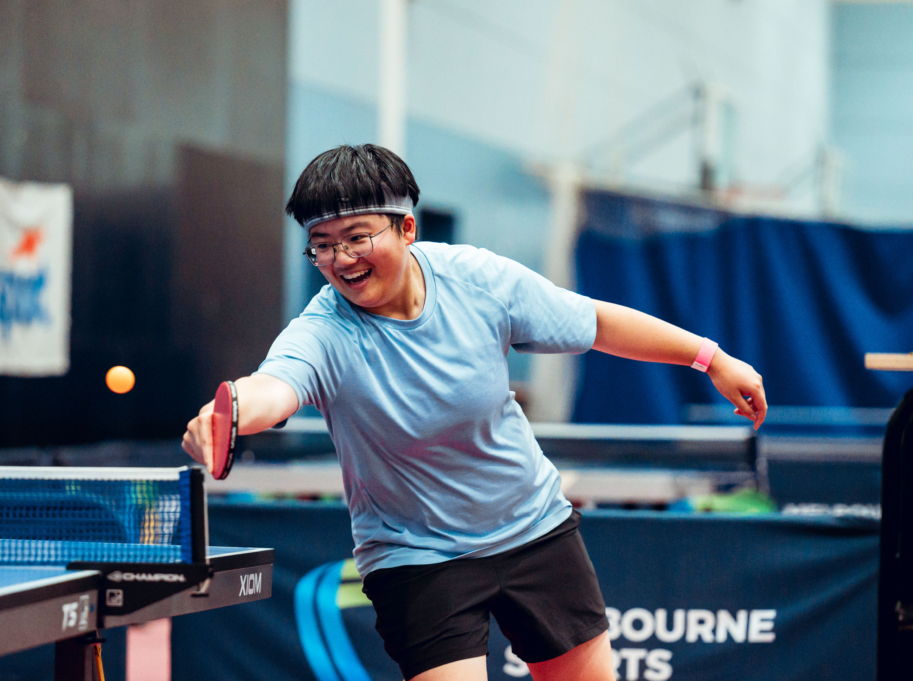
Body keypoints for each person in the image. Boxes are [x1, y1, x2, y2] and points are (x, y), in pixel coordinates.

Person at [182, 144, 767, 681]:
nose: (342, 258)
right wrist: (227, 414)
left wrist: (711, 359)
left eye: (357, 237)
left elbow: (596, 322)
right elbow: (274, 386)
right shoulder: (323, 331)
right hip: (416, 556)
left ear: (406, 228)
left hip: (533, 529)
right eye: (323, 244)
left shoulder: (478, 280)